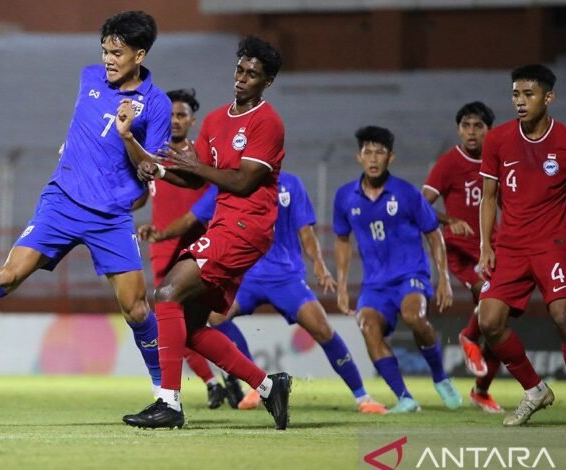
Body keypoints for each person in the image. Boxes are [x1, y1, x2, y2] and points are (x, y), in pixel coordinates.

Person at [0, 11, 166, 394]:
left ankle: (165, 396)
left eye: (117, 53)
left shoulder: (156, 105)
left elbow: (151, 169)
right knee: (9, 274)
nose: (107, 59)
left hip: (109, 214)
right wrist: (71, 148)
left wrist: (127, 137)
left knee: (137, 309)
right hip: (63, 201)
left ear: (139, 55)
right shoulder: (89, 77)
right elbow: (83, 125)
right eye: (105, 50)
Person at [123, 36, 291, 430]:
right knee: (191, 327)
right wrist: (160, 170)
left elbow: (244, 182)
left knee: (165, 294)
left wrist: (195, 167)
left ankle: (168, 403)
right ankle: (268, 386)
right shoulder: (216, 120)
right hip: (225, 224)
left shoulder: (268, 122)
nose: (243, 78)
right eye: (240, 70)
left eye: (253, 74)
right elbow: (194, 175)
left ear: (267, 82)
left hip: (248, 226)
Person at [145, 172, 388, 414]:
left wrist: (319, 264)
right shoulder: (228, 182)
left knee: (322, 328)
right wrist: (160, 235)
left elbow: (306, 232)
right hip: (246, 275)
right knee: (215, 318)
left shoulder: (291, 184)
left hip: (286, 276)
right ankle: (257, 383)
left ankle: (362, 397)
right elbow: (190, 219)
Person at [477, 64, 566, 428]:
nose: (520, 101)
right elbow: (488, 198)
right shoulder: (498, 140)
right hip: (511, 248)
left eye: (528, 94)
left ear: (548, 98)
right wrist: (487, 245)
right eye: (516, 94)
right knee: (489, 322)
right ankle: (535, 390)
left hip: (552, 245)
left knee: (564, 317)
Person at [333, 125, 461, 414]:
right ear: (359, 157)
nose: (374, 158)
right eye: (368, 152)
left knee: (414, 315)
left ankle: (440, 378)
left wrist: (444, 278)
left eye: (380, 152)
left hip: (410, 275)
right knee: (367, 325)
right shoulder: (344, 197)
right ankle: (405, 398)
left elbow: (433, 233)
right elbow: (342, 240)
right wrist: (342, 286)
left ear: (391, 157)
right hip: (375, 285)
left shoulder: (406, 193)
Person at [141, 87, 249, 409]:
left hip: (201, 243)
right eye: (171, 115)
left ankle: (234, 376)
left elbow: (207, 201)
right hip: (163, 247)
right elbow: (142, 196)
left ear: (192, 120)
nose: (174, 121)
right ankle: (212, 381)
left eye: (181, 115)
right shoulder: (154, 155)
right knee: (171, 318)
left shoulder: (202, 157)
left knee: (213, 318)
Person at [422, 102, 503, 413]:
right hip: (460, 250)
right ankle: (468, 338)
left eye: (478, 126)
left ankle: (481, 391)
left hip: (491, 249)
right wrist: (448, 220)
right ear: (459, 129)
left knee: (500, 324)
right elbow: (420, 203)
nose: (472, 131)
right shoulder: (448, 163)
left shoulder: (497, 162)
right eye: (466, 125)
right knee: (488, 294)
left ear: (488, 131)